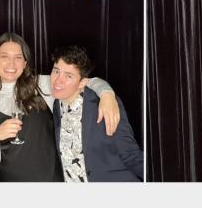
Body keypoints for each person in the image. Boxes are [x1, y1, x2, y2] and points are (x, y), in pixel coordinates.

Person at [0, 32, 120, 181]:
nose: (11, 63)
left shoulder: (41, 86)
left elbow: (85, 81)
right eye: (5, 57)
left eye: (18, 57)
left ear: (25, 63)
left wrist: (107, 94)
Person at [49, 45, 143, 181]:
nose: (58, 80)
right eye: (56, 71)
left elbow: (130, 154)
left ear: (82, 82)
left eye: (68, 76)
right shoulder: (57, 104)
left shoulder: (103, 104)